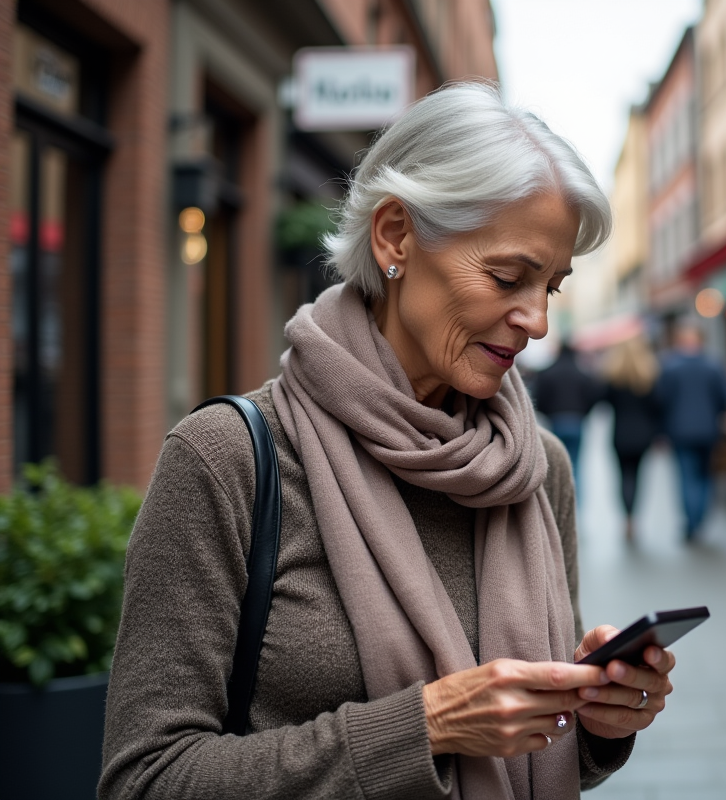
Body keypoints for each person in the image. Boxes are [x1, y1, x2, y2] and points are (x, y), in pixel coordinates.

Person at [100, 84, 678, 800]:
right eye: (507, 276)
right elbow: (145, 779)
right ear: (396, 236)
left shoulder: (537, 467)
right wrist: (424, 728)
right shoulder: (227, 459)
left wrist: (598, 721)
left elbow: (538, 753)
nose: (536, 322)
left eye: (551, 287)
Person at [655, 323, 726, 541]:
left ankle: (691, 522)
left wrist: (662, 430)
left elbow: (661, 400)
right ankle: (700, 519)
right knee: (706, 475)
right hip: (709, 429)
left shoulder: (670, 366)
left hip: (679, 430)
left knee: (686, 476)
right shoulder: (714, 365)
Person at [600, 336, 661, 542]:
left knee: (623, 476)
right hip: (644, 435)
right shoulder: (649, 377)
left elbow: (604, 401)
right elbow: (657, 406)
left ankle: (627, 518)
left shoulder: (614, 377)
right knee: (638, 475)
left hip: (620, 434)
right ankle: (634, 516)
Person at [534, 342, 601, 483]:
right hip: (577, 421)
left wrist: (547, 414)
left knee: (556, 464)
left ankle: (558, 498)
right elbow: (593, 396)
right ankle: (575, 500)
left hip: (555, 422)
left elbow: (538, 398)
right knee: (575, 464)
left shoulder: (547, 373)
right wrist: (584, 413)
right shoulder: (582, 374)